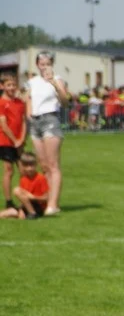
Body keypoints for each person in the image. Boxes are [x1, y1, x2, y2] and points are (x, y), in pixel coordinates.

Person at [26, 51, 68, 216]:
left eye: (48, 63)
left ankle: (53, 204)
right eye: (42, 64)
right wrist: (28, 113)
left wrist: (55, 85)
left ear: (52, 64)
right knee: (43, 165)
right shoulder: (32, 82)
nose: (44, 67)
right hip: (35, 122)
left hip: (50, 120)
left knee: (53, 165)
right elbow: (28, 98)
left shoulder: (57, 79)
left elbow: (65, 102)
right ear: (37, 65)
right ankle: (46, 200)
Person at [0, 73, 28, 211]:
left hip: (19, 141)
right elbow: (4, 125)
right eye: (8, 85)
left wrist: (22, 138)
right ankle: (9, 201)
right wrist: (15, 140)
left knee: (23, 170)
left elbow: (23, 121)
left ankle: (25, 199)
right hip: (6, 141)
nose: (11, 87)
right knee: (9, 170)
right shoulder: (1, 103)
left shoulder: (19, 102)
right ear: (2, 86)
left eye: (13, 85)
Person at [1, 152, 48, 219]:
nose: (29, 168)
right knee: (8, 212)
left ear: (36, 165)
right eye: (26, 166)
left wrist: (33, 197)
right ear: (22, 166)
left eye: (32, 166)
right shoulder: (23, 179)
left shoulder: (41, 178)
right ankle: (27, 212)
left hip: (38, 206)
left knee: (16, 190)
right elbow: (23, 198)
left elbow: (46, 198)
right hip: (28, 205)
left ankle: (32, 213)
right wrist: (21, 207)